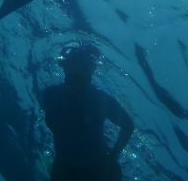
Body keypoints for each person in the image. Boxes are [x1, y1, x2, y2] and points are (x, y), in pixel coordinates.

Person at [41, 44, 134, 181]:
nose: (80, 70)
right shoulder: (50, 95)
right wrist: (113, 157)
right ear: (64, 64)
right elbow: (128, 126)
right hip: (69, 169)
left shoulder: (99, 99)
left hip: (95, 168)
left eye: (84, 65)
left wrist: (113, 158)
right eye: (74, 62)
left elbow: (128, 125)